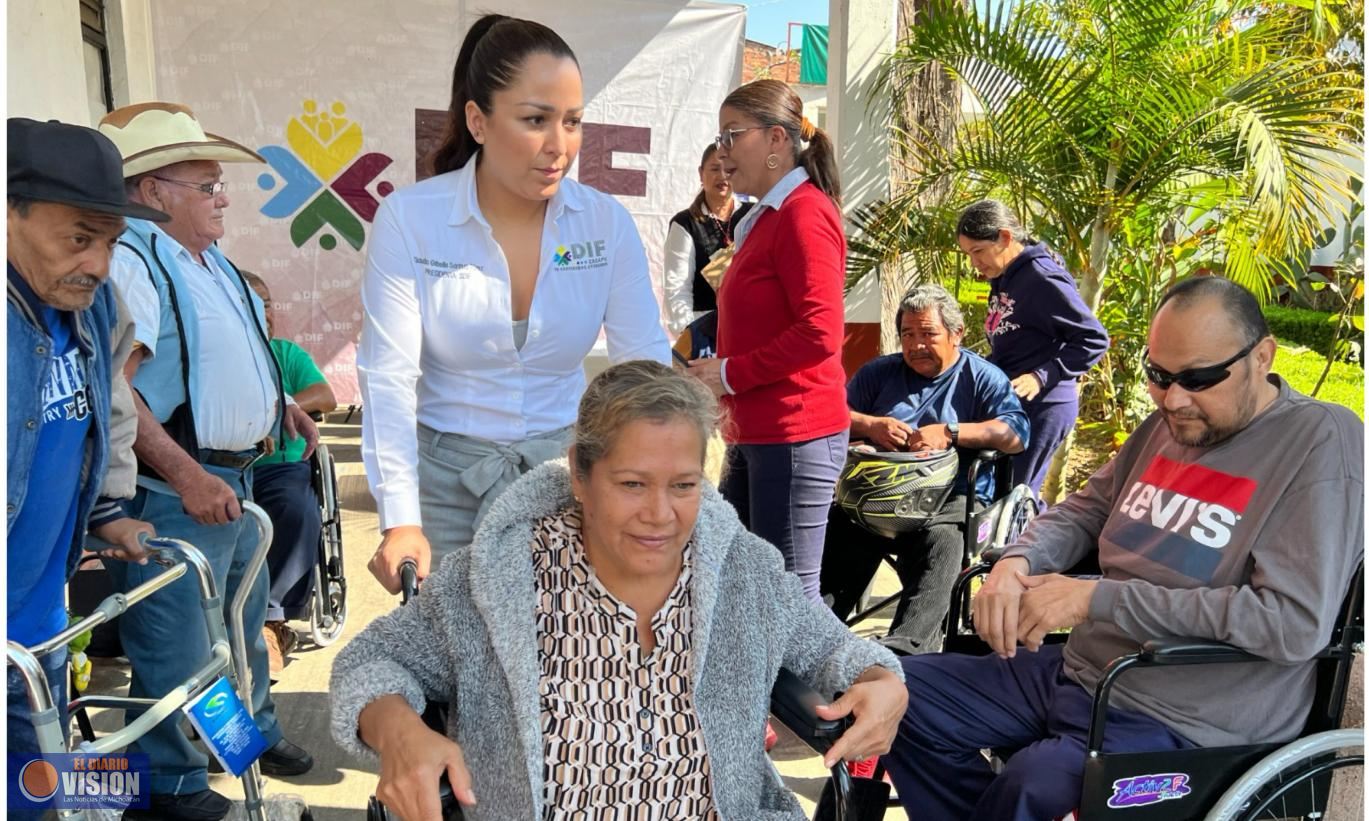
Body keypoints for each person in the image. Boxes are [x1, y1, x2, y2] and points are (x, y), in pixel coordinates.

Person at [331, 360, 908, 820]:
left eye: (683, 485)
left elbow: (836, 649)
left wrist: (884, 683)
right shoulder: (499, 578)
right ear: (580, 475)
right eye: (632, 484)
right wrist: (400, 732)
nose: (659, 514)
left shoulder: (743, 574)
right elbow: (372, 661)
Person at [881, 277, 1364, 820]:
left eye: (1199, 378)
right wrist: (1018, 560)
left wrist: (1094, 600)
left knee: (1031, 785)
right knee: (892, 690)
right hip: (1082, 671)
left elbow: (1292, 623)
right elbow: (1085, 509)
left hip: (1188, 717)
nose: (1174, 399)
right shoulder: (1170, 424)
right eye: (1159, 376)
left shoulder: (1319, 440)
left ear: (1262, 357)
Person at [361, 14, 670, 594]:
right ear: (477, 120)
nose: (560, 147)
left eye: (573, 122)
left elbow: (644, 368)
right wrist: (400, 518)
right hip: (444, 490)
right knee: (451, 667)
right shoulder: (411, 220)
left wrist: (668, 480)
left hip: (566, 483)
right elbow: (388, 376)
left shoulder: (604, 223)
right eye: (535, 120)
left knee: (566, 663)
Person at [98, 102, 318, 820]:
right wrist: (188, 474)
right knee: (179, 642)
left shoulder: (206, 257)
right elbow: (118, 388)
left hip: (234, 475)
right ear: (153, 190)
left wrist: (277, 398)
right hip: (178, 486)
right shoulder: (133, 257)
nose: (224, 195)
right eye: (206, 184)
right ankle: (175, 784)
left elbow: (232, 350)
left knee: (236, 627)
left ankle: (241, 745)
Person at [6, 118, 163, 820]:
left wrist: (109, 510)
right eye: (79, 238)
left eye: (110, 242)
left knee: (37, 791)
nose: (99, 263)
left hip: (38, 629)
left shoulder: (92, 307)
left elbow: (109, 407)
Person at [687, 79, 849, 602]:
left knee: (785, 598)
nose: (722, 153)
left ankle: (820, 687)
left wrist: (730, 373)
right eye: (719, 137)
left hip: (795, 433)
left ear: (777, 139)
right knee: (747, 591)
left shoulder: (805, 213)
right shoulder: (765, 216)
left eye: (732, 136)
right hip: (756, 430)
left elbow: (819, 333)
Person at [821, 284, 1029, 653]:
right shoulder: (879, 373)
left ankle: (904, 651)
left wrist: (951, 432)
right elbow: (831, 416)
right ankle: (815, 636)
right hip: (876, 498)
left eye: (928, 334)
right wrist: (871, 425)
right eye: (907, 335)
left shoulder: (982, 377)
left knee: (944, 543)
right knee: (841, 528)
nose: (916, 345)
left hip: (948, 501)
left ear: (956, 333)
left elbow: (1016, 433)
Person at [956, 199, 1108, 495]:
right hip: (1013, 404)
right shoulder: (1004, 278)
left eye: (978, 252)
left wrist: (1042, 375)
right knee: (998, 493)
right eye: (968, 255)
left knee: (1017, 497)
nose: (975, 263)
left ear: (1005, 237)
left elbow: (1093, 338)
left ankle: (1033, 541)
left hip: (1044, 407)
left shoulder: (1041, 278)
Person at [243, 271, 338, 676]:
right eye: (252, 302)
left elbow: (325, 397)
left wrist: (278, 411)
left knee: (296, 508)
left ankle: (271, 620)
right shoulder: (219, 356)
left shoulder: (286, 354)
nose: (264, 312)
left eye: (267, 303)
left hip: (280, 466)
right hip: (223, 466)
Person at [662, 142, 752, 336]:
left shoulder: (752, 215)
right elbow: (677, 289)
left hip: (750, 328)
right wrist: (690, 336)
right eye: (714, 169)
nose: (722, 176)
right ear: (701, 173)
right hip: (706, 331)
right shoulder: (685, 223)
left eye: (728, 169)